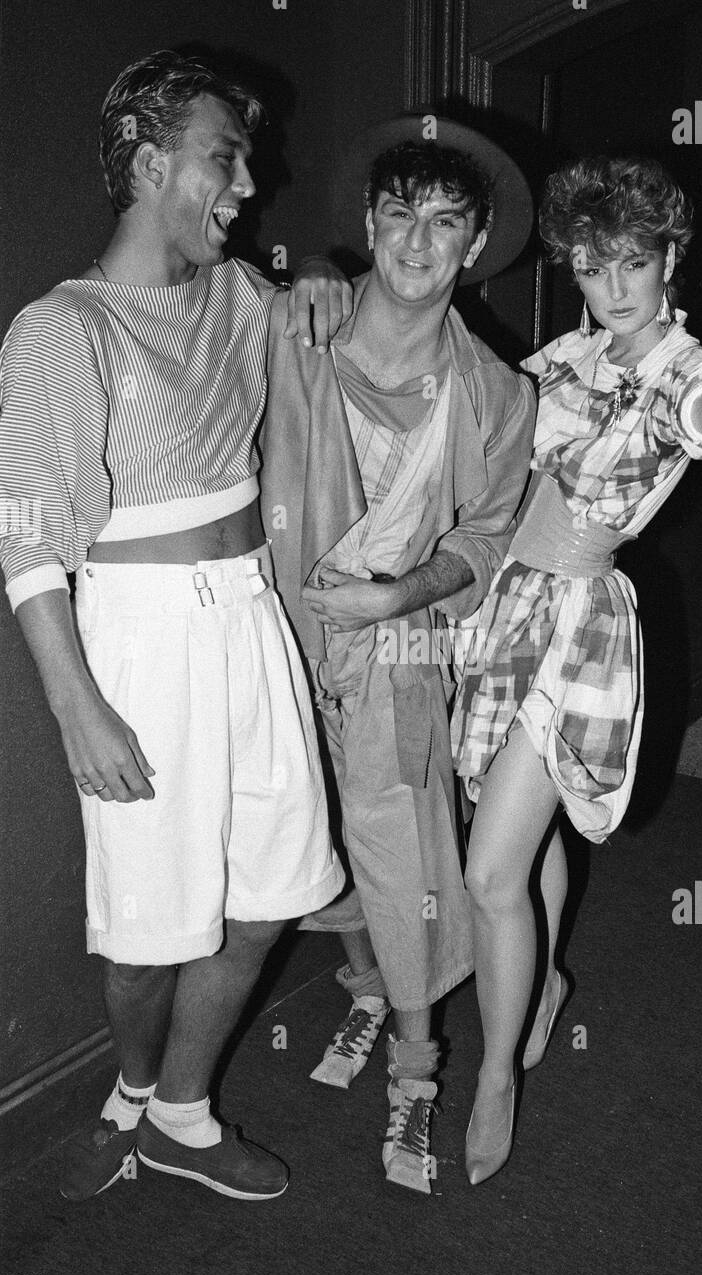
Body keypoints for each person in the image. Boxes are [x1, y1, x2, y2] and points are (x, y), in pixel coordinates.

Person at [451, 156, 702, 1185]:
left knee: (489, 872)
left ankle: (496, 1072)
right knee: (518, 831)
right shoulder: (568, 351)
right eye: (592, 263)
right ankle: (539, 987)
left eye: (632, 260)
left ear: (670, 258)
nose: (614, 283)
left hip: (580, 628)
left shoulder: (679, 362)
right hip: (507, 608)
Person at [0, 51, 355, 1202]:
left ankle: (183, 1116)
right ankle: (137, 1089)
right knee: (151, 933)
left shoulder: (242, 293)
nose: (250, 181)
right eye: (225, 157)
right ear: (152, 165)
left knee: (267, 897)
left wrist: (329, 285)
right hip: (141, 641)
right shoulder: (61, 328)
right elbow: (25, 532)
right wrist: (76, 706)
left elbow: (324, 324)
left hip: (250, 615)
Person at [260, 116, 536, 1193]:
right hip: (278, 636)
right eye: (399, 214)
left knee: (408, 860)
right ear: (370, 224)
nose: (419, 242)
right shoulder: (295, 328)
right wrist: (311, 272)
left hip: (405, 654)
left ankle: (416, 1084)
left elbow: (486, 534)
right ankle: (367, 988)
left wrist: (402, 590)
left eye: (446, 223)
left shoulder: (498, 394)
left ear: (474, 248)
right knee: (311, 838)